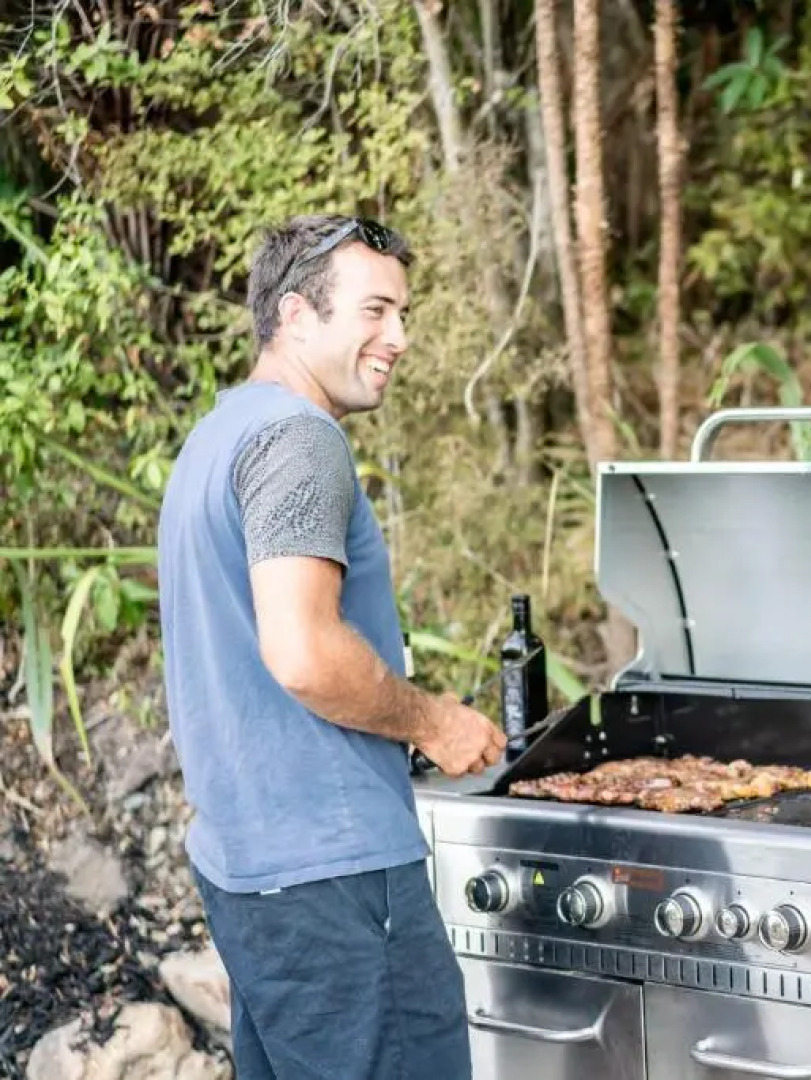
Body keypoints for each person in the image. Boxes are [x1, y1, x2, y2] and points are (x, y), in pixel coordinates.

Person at [156, 213, 505, 1079]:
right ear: (295, 316)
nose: (399, 337)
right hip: (335, 871)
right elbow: (305, 653)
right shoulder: (297, 439)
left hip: (251, 872)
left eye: (403, 313)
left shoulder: (216, 436)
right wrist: (435, 722)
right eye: (376, 311)